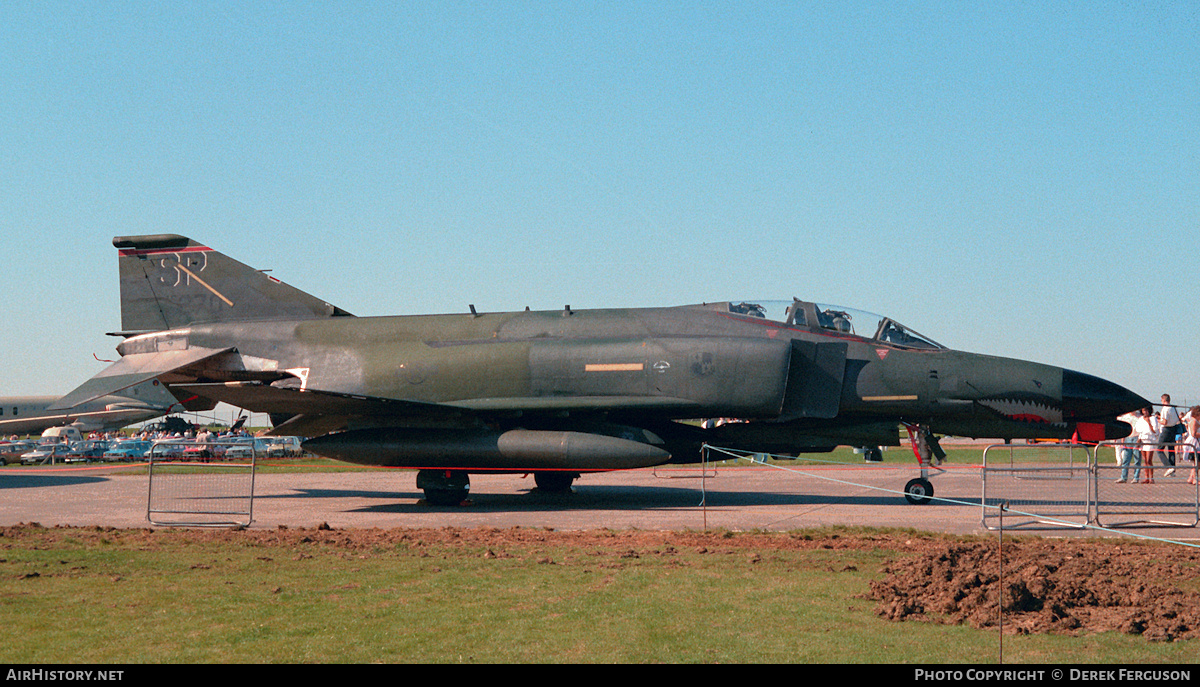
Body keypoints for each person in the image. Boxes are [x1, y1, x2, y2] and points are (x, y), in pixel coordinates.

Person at [1135, 406, 1160, 484]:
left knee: (1149, 460)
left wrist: (1148, 422)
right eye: (1143, 411)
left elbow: (1155, 431)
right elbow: (1139, 430)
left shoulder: (1153, 419)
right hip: (1142, 440)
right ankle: (1146, 477)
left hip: (1150, 440)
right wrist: (1139, 440)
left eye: (1146, 410)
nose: (1145, 412)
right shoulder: (1140, 419)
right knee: (1145, 460)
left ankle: (1151, 477)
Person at [1158, 394, 1182, 476]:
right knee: (1171, 449)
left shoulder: (1165, 409)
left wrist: (1158, 420)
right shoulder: (1174, 408)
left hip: (1166, 429)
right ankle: (1173, 469)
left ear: (1163, 400)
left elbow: (1164, 422)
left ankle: (1168, 466)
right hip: (1174, 429)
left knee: (1159, 449)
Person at [1115, 411, 1141, 483]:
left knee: (1137, 459)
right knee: (1126, 459)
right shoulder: (1125, 417)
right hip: (1128, 437)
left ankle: (1136, 477)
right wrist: (1123, 439)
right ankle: (1123, 477)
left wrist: (1139, 439)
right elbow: (1124, 429)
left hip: (1136, 437)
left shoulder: (1139, 416)